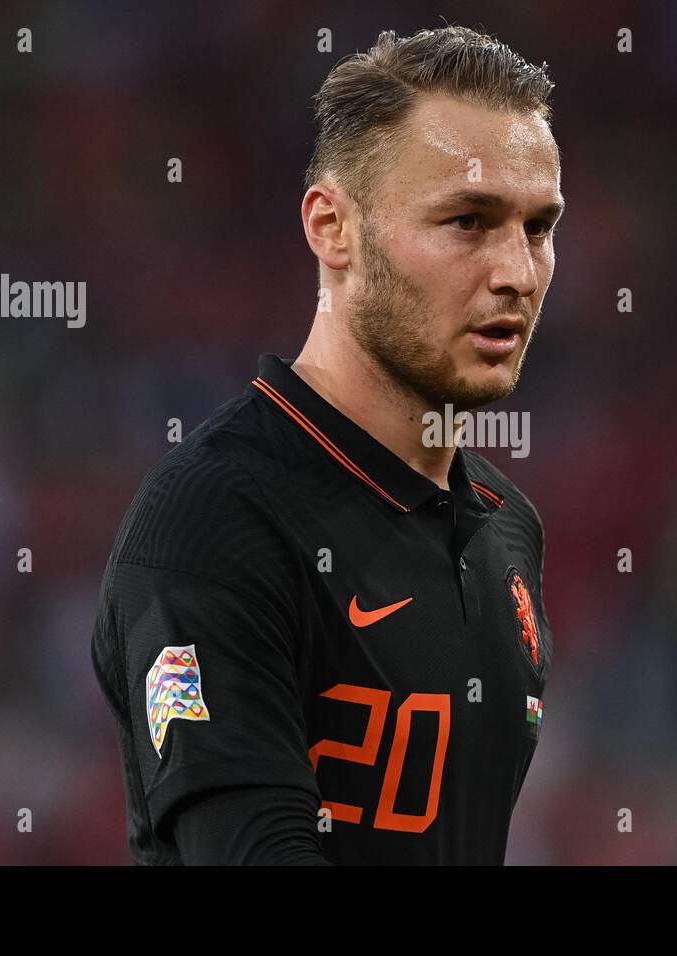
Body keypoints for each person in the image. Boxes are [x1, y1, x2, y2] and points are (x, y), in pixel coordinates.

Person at [91, 24, 563, 864]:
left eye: (537, 227)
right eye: (467, 220)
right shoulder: (213, 522)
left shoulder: (507, 530)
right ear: (332, 227)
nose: (517, 273)